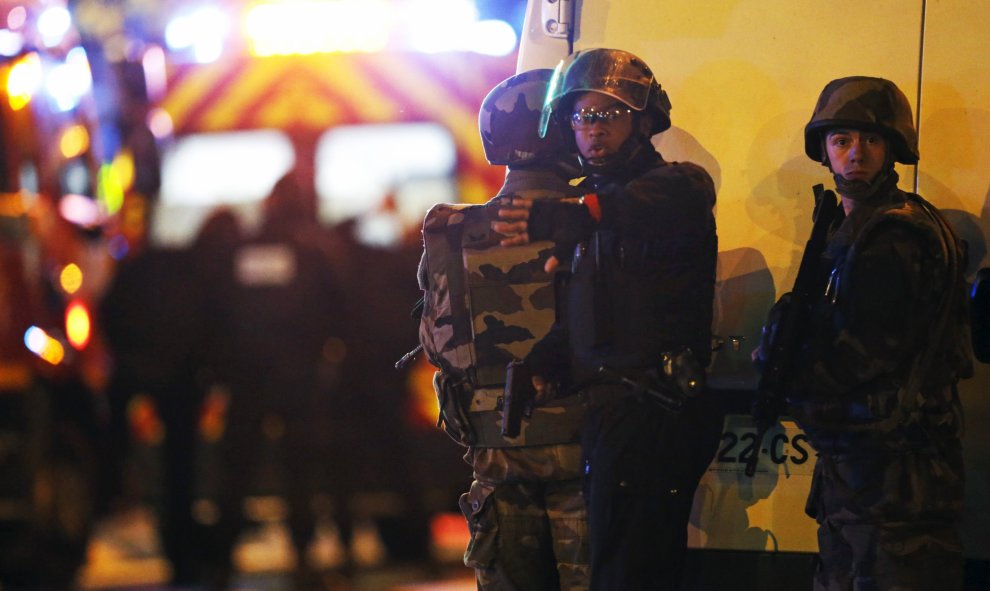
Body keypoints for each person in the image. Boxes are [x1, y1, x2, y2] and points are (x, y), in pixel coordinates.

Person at [493, 48, 721, 591]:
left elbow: (672, 196)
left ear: (643, 122)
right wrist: (546, 362)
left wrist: (579, 215)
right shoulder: (591, 211)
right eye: (582, 117)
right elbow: (587, 322)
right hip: (610, 417)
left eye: (609, 115)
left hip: (657, 413)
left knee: (629, 575)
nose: (593, 131)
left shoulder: (670, 189)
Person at [758, 76, 974, 590]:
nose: (856, 153)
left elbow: (860, 355)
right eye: (842, 141)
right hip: (870, 470)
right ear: (826, 152)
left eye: (870, 141)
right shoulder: (861, 225)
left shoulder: (891, 236)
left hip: (893, 475)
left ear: (891, 149)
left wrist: (786, 371)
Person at [417, 69, 591, 590]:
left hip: (495, 457)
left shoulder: (449, 229)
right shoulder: (595, 218)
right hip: (586, 457)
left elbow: (438, 343)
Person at [208, 172, 344, 590]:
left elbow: (219, 310)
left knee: (236, 470)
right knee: (300, 470)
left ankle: (221, 562)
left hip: (246, 377)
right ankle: (303, 556)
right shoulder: (312, 252)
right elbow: (335, 308)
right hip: (298, 377)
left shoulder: (240, 251)